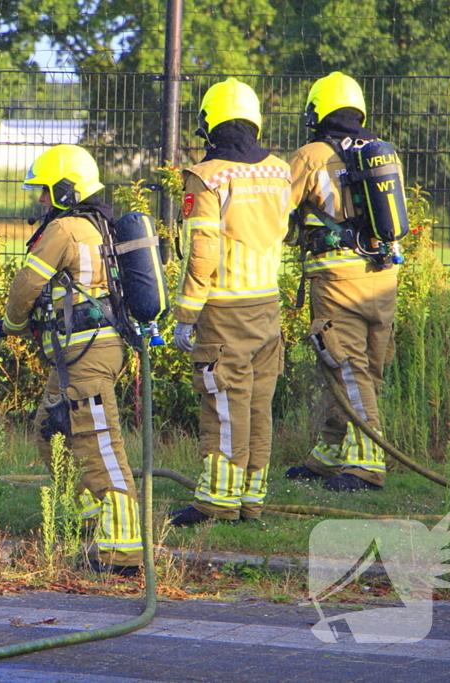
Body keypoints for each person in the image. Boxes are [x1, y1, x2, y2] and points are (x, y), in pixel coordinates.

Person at [0, 144, 142, 575]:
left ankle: (123, 549)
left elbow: (26, 284)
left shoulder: (66, 229)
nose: (41, 200)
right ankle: (95, 525)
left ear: (65, 189)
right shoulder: (100, 224)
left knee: (98, 445)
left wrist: (12, 322)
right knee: (50, 434)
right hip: (80, 354)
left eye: (46, 192)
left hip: (88, 354)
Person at [169, 79, 291, 525]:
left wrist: (186, 315)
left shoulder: (207, 176)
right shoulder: (280, 170)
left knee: (223, 402)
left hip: (224, 308)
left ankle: (217, 502)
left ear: (208, 123)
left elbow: (202, 252)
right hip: (267, 305)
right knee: (259, 403)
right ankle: (250, 501)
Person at [284, 72, 402, 492]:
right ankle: (332, 454)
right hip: (384, 276)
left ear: (317, 111)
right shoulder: (381, 151)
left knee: (346, 367)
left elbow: (280, 214)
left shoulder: (311, 155)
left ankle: (368, 465)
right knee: (367, 368)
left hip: (337, 279)